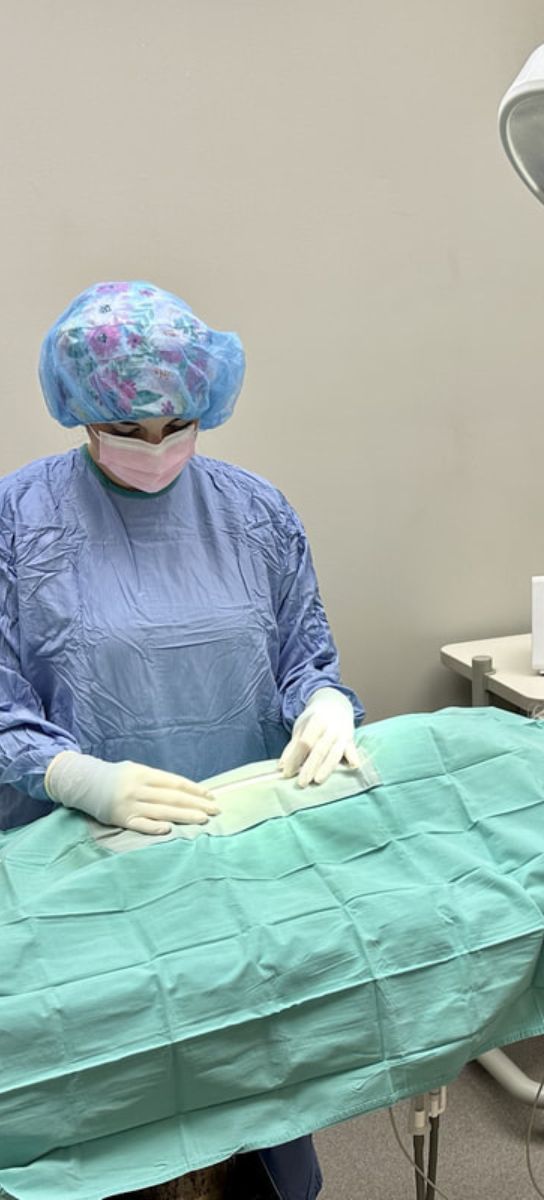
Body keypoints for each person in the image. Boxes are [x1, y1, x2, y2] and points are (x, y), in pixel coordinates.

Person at [0, 280, 364, 1200]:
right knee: (111, 1118)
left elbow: (301, 655)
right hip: (91, 867)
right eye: (128, 428)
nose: (154, 448)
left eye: (174, 425)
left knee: (256, 1099)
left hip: (235, 855)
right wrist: (73, 775)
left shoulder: (256, 513)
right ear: (81, 411)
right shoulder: (17, 522)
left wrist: (325, 703)